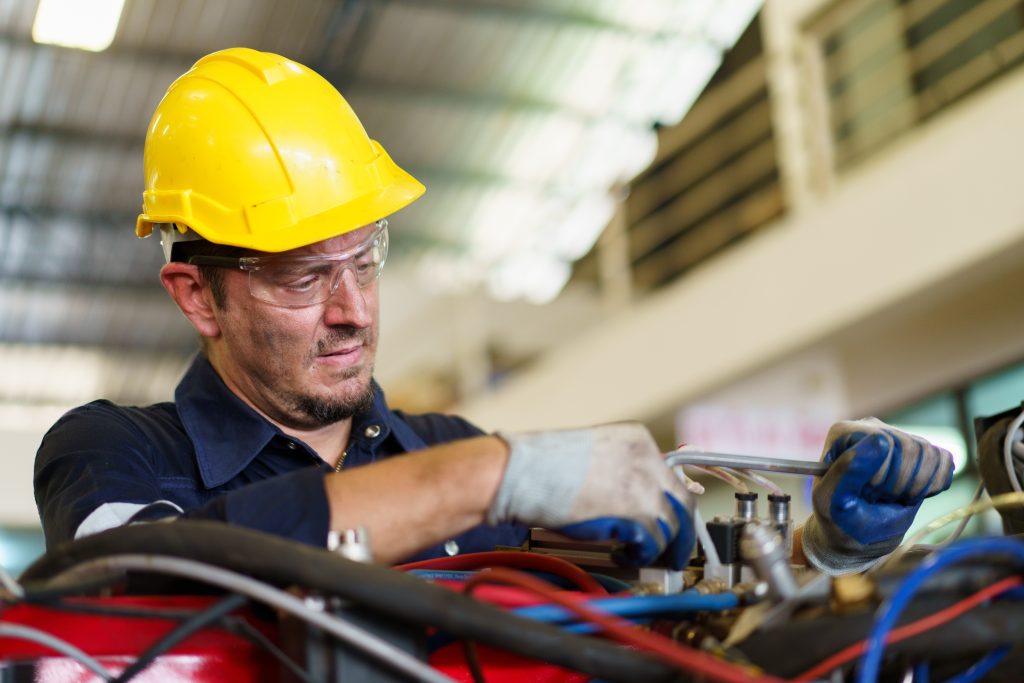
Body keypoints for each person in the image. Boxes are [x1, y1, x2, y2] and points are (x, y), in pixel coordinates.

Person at [34, 48, 953, 575]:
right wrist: (486, 476)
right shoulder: (114, 452)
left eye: (365, 259)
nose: (353, 310)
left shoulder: (450, 445)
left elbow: (660, 603)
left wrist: (819, 547)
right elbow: (139, 580)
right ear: (198, 295)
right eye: (302, 279)